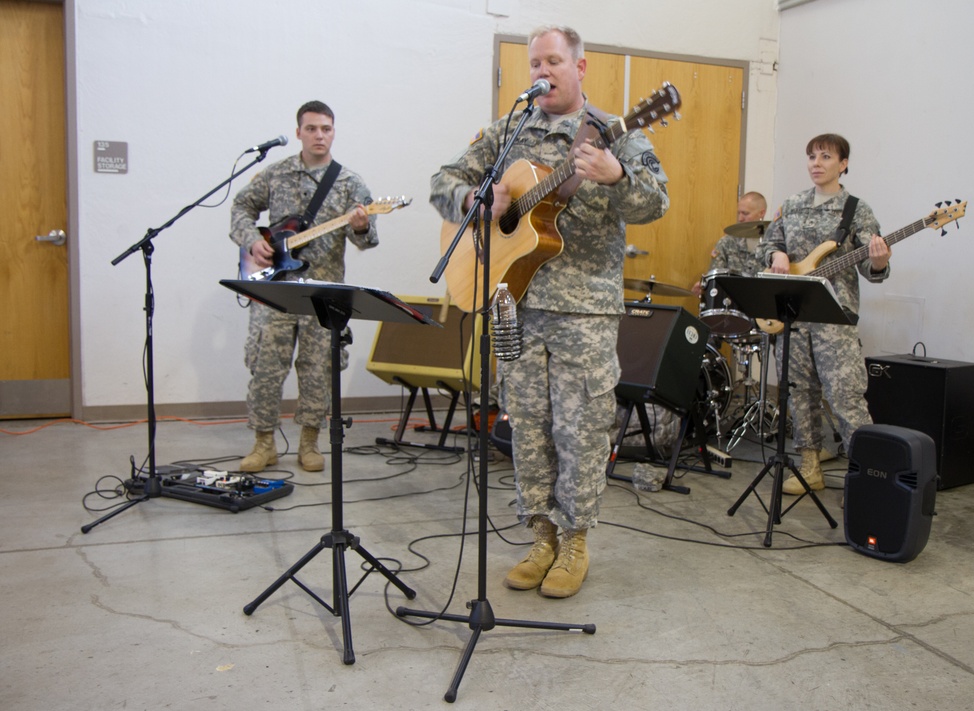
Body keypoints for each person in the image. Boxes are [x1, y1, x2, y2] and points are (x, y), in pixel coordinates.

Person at [429, 26, 669, 598]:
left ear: (579, 67)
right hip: (512, 303)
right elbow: (444, 180)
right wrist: (474, 199)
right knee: (527, 428)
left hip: (581, 311)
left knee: (581, 431)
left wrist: (616, 178)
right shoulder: (509, 130)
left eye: (554, 60)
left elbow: (656, 201)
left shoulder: (613, 134)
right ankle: (541, 537)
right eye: (535, 61)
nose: (543, 70)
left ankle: (576, 540)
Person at [230, 100, 379, 473]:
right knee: (265, 366)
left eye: (326, 128)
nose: (319, 135)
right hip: (275, 290)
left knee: (318, 370)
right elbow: (241, 208)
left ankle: (309, 443)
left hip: (322, 295)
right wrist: (252, 241)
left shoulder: (349, 183)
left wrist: (361, 225)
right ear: (298, 132)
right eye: (311, 128)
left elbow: (366, 239)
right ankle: (263, 443)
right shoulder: (276, 174)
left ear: (334, 131)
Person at [757, 133, 890, 495]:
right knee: (798, 394)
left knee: (846, 395)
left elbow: (870, 267)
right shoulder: (793, 204)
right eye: (812, 156)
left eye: (826, 156)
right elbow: (769, 243)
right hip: (794, 315)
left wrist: (878, 261)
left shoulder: (856, 209)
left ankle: (869, 475)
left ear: (843, 164)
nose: (817, 163)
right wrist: (776, 255)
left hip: (835, 317)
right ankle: (809, 467)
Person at [691, 191, 768, 297]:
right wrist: (705, 286)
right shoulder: (727, 242)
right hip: (732, 305)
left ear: (761, 213)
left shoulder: (775, 245)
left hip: (764, 304)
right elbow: (715, 278)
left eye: (745, 213)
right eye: (739, 213)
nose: (740, 218)